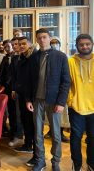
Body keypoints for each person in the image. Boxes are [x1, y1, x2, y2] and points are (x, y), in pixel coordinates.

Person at [25, 29, 70, 171]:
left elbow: (66, 81)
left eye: (44, 37)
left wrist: (61, 102)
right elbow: (29, 81)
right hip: (37, 100)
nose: (42, 40)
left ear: (49, 38)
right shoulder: (33, 57)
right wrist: (28, 99)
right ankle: (40, 161)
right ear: (37, 40)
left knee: (56, 134)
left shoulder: (61, 57)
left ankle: (55, 162)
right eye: (39, 38)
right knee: (37, 133)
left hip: (54, 101)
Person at [67, 34, 94, 171]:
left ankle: (91, 163)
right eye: (81, 44)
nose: (85, 46)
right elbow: (66, 83)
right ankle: (76, 164)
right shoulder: (71, 61)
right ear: (77, 46)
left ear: (92, 44)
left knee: (93, 138)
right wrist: (70, 100)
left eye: (87, 44)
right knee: (76, 137)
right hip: (76, 107)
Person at [11, 37, 37, 167]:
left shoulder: (34, 57)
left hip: (31, 97)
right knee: (26, 121)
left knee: (32, 124)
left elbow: (31, 80)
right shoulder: (22, 57)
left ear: (30, 44)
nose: (21, 46)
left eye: (23, 44)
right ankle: (28, 144)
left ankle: (34, 151)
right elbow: (19, 76)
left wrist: (28, 98)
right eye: (19, 44)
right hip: (22, 94)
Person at [0, 39, 24, 147]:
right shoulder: (5, 58)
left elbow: (14, 75)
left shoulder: (17, 57)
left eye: (10, 46)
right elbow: (1, 73)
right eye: (6, 47)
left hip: (15, 88)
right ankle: (12, 132)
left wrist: (6, 84)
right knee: (11, 112)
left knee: (17, 113)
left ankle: (18, 135)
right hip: (7, 90)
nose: (8, 49)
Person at [44, 36, 70, 143]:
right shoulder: (47, 56)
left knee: (61, 115)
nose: (54, 45)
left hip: (62, 91)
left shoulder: (64, 57)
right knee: (50, 114)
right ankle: (51, 131)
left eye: (56, 43)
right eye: (52, 43)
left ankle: (61, 133)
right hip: (50, 91)